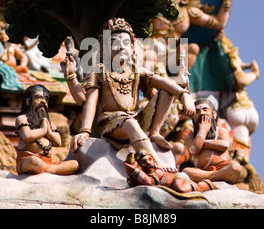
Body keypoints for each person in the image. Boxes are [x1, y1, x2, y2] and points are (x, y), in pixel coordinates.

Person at [63, 18, 195, 167]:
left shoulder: (136, 71)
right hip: (112, 123)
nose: (121, 47)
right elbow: (86, 101)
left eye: (126, 43)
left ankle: (155, 133)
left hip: (136, 119)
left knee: (167, 90)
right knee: (130, 123)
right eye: (114, 43)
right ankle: (157, 163)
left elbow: (166, 84)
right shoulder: (100, 71)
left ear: (133, 47)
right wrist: (85, 130)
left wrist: (184, 95)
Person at [15, 84, 79, 175]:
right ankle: (52, 169)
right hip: (27, 161)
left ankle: (48, 169)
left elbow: (58, 143)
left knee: (74, 164)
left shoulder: (50, 124)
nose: (43, 102)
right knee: (34, 161)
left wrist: (49, 131)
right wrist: (43, 130)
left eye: (45, 99)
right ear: (28, 101)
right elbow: (27, 136)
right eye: (38, 98)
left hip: (47, 162)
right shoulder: (22, 119)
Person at [183, 99, 244, 184]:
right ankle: (214, 176)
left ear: (214, 114)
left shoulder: (221, 130)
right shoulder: (189, 137)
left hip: (223, 167)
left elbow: (224, 145)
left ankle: (210, 177)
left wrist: (202, 143)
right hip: (202, 170)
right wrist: (202, 130)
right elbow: (194, 150)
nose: (201, 113)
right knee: (186, 172)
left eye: (205, 110)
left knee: (235, 167)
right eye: (197, 111)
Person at [124, 149, 216, 193]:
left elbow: (149, 182)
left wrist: (135, 171)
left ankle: (204, 185)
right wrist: (131, 175)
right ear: (140, 165)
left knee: (179, 188)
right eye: (143, 162)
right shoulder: (147, 174)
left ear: (154, 161)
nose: (148, 163)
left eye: (150, 160)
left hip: (178, 177)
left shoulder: (157, 172)